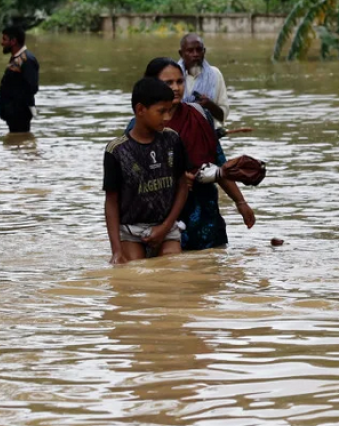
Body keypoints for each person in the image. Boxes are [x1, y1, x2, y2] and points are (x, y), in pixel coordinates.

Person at [141, 58, 255, 250]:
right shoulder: (142, 124)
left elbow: (218, 162)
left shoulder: (200, 114)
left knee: (210, 271)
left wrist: (240, 202)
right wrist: (173, 178)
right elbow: (134, 176)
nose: (176, 88)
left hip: (205, 218)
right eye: (168, 83)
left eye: (179, 81)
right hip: (163, 222)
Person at [104, 77, 193, 265]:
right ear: (140, 110)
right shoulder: (116, 150)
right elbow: (111, 201)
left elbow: (182, 187)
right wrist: (116, 251)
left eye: (169, 111)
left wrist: (165, 227)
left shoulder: (172, 140)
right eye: (161, 112)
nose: (167, 118)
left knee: (173, 268)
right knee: (134, 270)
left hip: (167, 227)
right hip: (131, 231)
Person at [178, 33, 228, 130]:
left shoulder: (215, 75)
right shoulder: (173, 76)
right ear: (181, 53)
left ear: (204, 52)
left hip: (207, 135)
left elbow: (223, 116)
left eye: (199, 50)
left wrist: (210, 105)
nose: (195, 54)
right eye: (190, 51)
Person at [0, 24, 39, 133]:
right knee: (16, 142)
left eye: (4, 39)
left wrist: (14, 105)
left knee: (20, 141)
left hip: (20, 113)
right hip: (13, 113)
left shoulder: (27, 59)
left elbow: (32, 88)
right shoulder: (17, 58)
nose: (1, 42)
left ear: (13, 41)